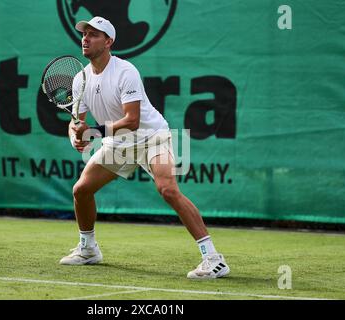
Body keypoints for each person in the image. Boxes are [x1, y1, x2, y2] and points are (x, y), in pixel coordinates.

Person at [59, 16, 230, 279]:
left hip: (151, 137)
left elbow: (132, 120)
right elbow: (76, 123)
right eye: (84, 34)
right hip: (119, 143)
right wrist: (75, 137)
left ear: (108, 42)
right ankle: (88, 249)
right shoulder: (80, 79)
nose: (85, 39)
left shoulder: (126, 72)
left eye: (93, 35)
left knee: (168, 190)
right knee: (81, 190)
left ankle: (213, 258)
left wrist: (93, 133)